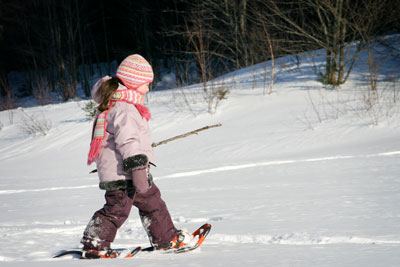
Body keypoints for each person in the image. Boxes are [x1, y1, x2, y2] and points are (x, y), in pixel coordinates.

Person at [81, 54, 191, 259]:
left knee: (153, 203)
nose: (148, 88)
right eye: (146, 84)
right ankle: (95, 244)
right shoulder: (124, 108)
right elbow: (128, 141)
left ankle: (166, 239)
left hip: (126, 172)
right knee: (117, 209)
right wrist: (139, 169)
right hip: (125, 174)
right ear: (133, 83)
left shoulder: (117, 105)